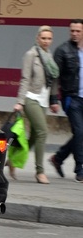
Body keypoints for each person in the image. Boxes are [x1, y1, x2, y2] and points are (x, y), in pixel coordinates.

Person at [10, 25, 60, 184]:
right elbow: (25, 79)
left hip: (44, 100)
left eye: (49, 38)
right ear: (38, 39)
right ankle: (40, 172)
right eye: (43, 38)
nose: (46, 41)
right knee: (43, 132)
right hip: (31, 98)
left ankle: (12, 159)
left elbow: (53, 80)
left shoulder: (49, 55)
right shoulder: (31, 55)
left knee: (34, 136)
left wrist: (53, 100)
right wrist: (20, 101)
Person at [51, 19, 83, 182]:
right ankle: (80, 169)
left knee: (81, 133)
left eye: (78, 31)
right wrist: (54, 99)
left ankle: (58, 158)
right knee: (79, 131)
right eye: (72, 31)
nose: (75, 34)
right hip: (72, 98)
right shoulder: (62, 50)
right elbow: (54, 78)